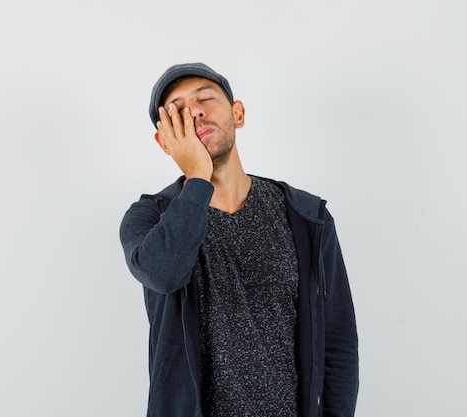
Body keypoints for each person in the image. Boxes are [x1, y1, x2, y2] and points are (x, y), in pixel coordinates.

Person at [119, 62, 359, 417]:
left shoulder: (307, 216)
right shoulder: (149, 219)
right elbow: (165, 272)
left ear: (238, 113)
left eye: (205, 98)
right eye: (178, 112)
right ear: (164, 142)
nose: (195, 112)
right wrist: (198, 176)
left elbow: (338, 340)